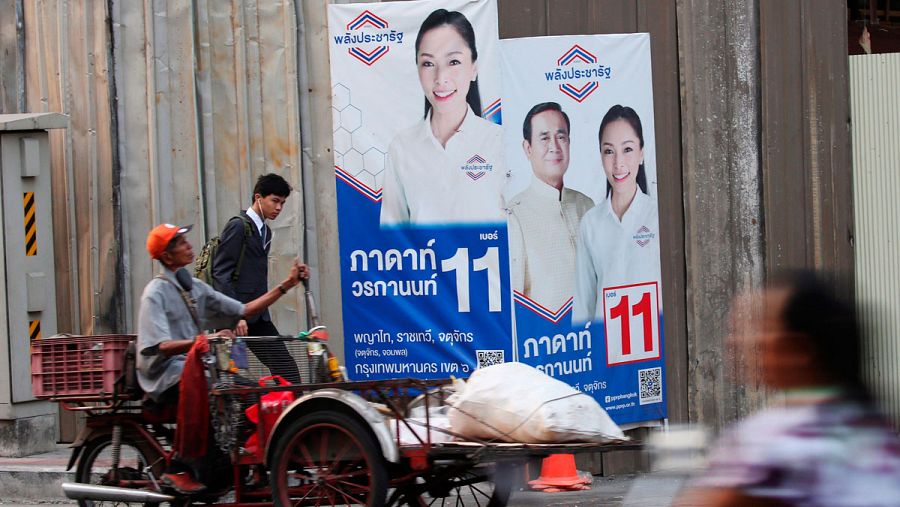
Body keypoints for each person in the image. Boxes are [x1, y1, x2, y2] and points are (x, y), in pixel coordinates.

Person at [675, 271, 900, 506]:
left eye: (759, 326)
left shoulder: (771, 440)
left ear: (798, 350)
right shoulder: (879, 427)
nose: (736, 341)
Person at [137, 223, 309, 494]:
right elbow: (160, 345)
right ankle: (179, 467)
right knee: (218, 395)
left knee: (250, 392)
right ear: (167, 257)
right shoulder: (154, 294)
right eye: (181, 243)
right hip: (165, 375)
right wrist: (200, 341)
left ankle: (248, 464)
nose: (189, 245)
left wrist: (287, 285)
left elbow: (244, 309)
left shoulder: (193, 287)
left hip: (197, 368)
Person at [379, 8, 507, 226]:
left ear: (474, 68)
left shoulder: (500, 142)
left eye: (454, 62)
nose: (440, 78)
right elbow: (393, 236)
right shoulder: (402, 148)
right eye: (428, 63)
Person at [573, 105, 661, 323]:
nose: (618, 163)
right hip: (605, 349)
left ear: (642, 153)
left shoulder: (658, 217)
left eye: (628, 149)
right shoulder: (591, 223)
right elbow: (583, 308)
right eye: (609, 151)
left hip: (654, 350)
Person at [211, 173, 301, 383]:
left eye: (283, 203)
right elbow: (221, 273)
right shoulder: (239, 226)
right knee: (227, 376)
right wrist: (235, 316)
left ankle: (287, 412)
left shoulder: (265, 232)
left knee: (285, 367)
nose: (279, 208)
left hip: (258, 317)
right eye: (275, 201)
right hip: (235, 319)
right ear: (258, 198)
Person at [507, 102, 593, 310]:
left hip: (592, 336)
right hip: (546, 338)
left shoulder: (586, 205)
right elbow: (512, 303)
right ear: (528, 149)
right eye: (544, 138)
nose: (554, 146)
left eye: (561, 137)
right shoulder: (514, 215)